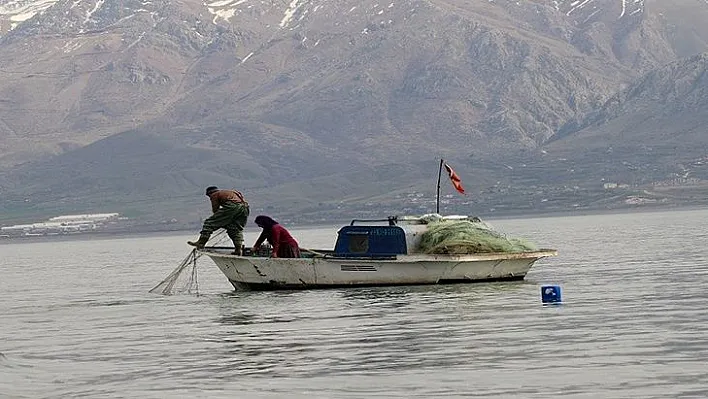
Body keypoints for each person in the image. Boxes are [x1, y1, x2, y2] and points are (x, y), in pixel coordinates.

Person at [188, 186, 250, 255]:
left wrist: (219, 222)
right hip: (245, 208)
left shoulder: (214, 194)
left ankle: (201, 243)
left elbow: (215, 209)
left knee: (209, 223)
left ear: (210, 193)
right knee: (234, 228)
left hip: (232, 207)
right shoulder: (230, 192)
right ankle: (238, 249)